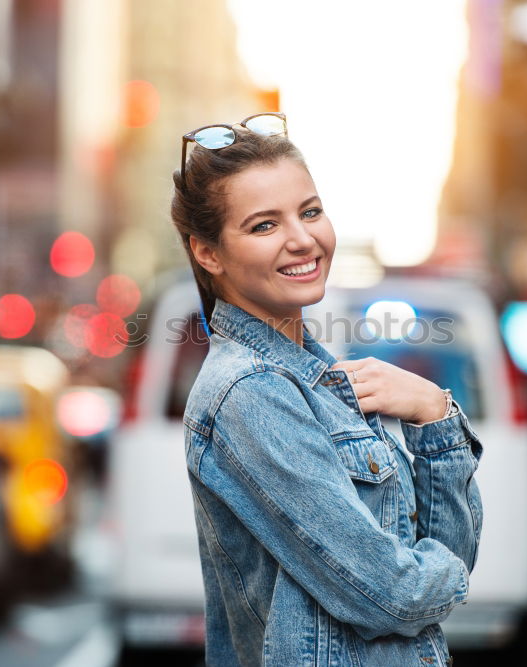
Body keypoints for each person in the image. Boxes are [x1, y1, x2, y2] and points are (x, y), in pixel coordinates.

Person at [171, 113, 483, 666]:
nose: (302, 239)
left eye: (310, 212)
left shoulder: (317, 384)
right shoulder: (249, 392)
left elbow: (425, 567)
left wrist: (433, 414)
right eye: (264, 225)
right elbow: (390, 594)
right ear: (208, 252)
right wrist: (449, 579)